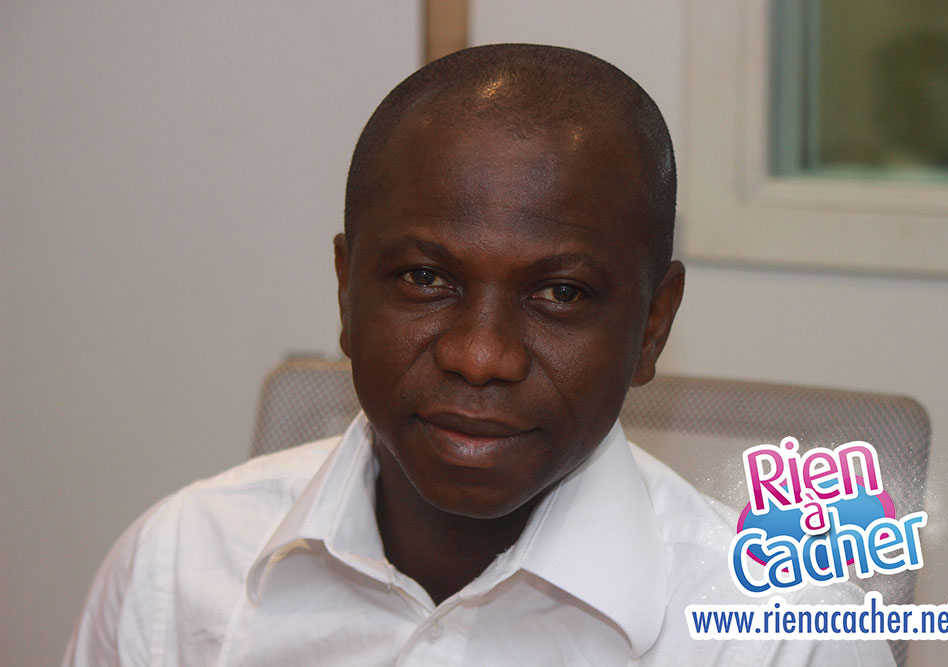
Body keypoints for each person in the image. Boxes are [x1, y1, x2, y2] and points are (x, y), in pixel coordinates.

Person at [64, 44, 894, 665]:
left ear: (651, 326)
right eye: (425, 278)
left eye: (560, 292)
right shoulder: (179, 570)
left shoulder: (783, 639)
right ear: (346, 291)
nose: (481, 354)